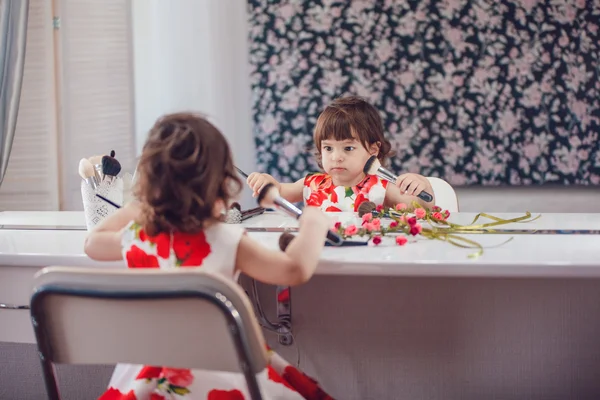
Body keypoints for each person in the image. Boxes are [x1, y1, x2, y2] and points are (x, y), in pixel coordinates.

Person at [85, 112, 335, 400]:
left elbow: (93, 242)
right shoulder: (227, 240)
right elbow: (294, 270)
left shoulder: (139, 239)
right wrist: (314, 223)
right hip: (224, 376)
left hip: (150, 383)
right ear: (219, 181)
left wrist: (140, 208)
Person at [247, 95, 435, 212]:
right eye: (328, 148)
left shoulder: (380, 188)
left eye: (348, 148)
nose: (336, 157)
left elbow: (422, 208)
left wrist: (421, 184)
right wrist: (268, 183)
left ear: (373, 150)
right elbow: (279, 192)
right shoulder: (312, 185)